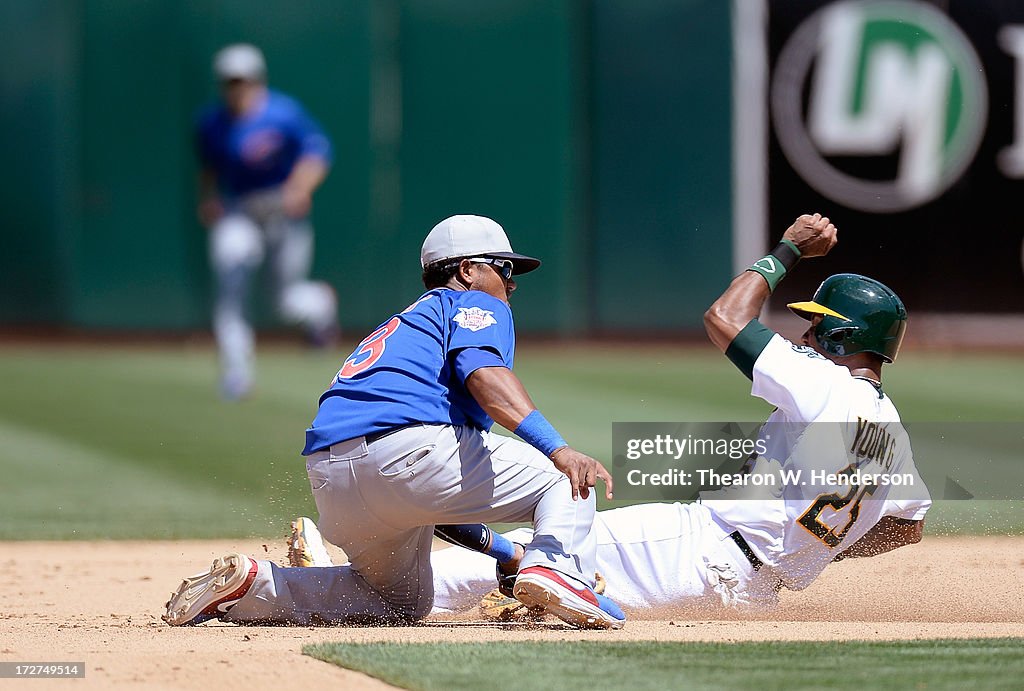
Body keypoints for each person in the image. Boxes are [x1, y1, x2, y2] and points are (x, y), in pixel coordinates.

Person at [290, 212, 930, 616]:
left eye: (818, 328)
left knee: (553, 551)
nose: (806, 338)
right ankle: (482, 558)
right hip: (759, 590)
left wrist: (785, 251)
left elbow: (725, 318)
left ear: (845, 337)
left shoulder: (821, 383)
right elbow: (906, 529)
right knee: (556, 564)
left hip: (699, 547)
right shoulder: (891, 435)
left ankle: (348, 572)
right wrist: (816, 545)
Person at [163, 214, 626, 629]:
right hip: (411, 451)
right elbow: (485, 375)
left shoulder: (405, 325)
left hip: (334, 479)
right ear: (467, 270)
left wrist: (509, 554)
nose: (512, 284)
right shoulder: (473, 306)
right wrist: (559, 450)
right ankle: (559, 572)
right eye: (503, 270)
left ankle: (259, 586)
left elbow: (432, 501)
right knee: (567, 479)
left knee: (398, 602)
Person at [196, 43, 339, 400]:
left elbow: (318, 151)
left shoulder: (283, 113)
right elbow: (209, 168)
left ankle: (321, 304)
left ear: (257, 80)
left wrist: (300, 187)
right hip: (239, 211)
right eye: (229, 81)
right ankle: (236, 373)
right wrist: (209, 198)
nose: (236, 88)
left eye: (242, 80)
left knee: (285, 302)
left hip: (280, 208)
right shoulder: (212, 122)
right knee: (230, 283)